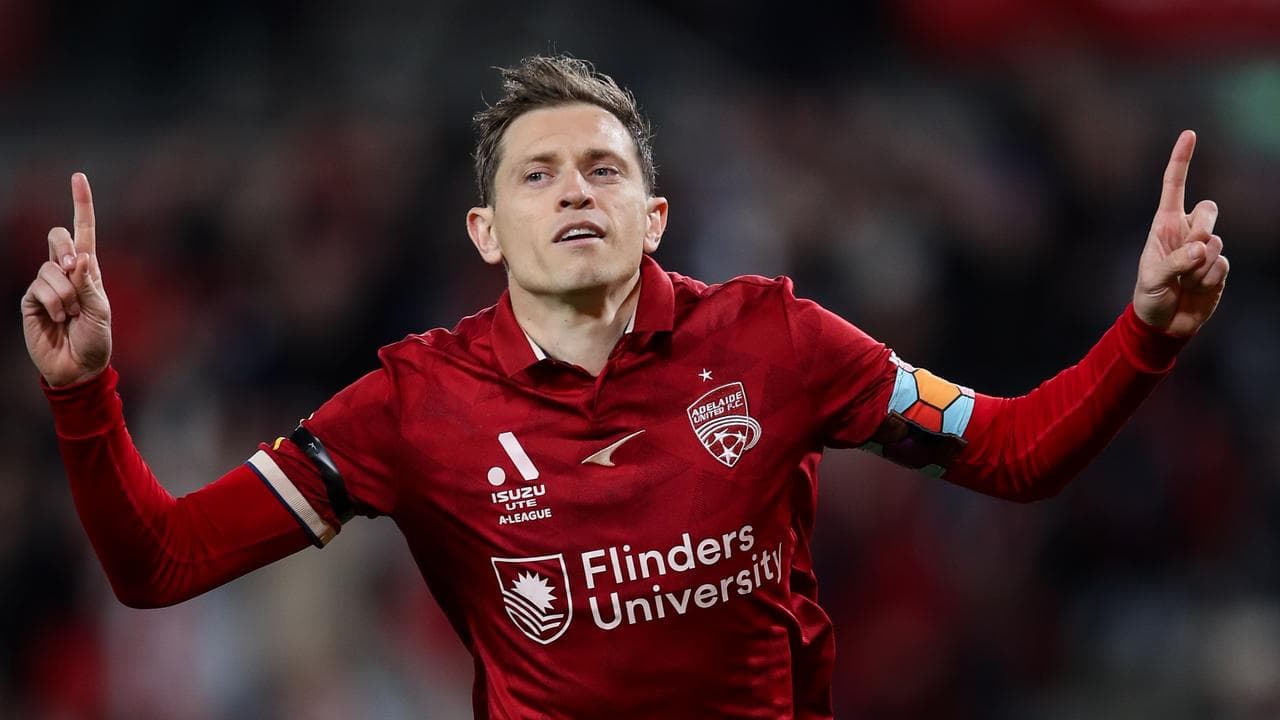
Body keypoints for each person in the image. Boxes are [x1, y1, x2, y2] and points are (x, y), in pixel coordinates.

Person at [22, 55, 1228, 718]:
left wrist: (1144, 334)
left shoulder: (777, 342)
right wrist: (84, 396)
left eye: (601, 168)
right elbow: (161, 563)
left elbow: (1013, 454)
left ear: (652, 214)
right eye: (536, 174)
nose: (573, 190)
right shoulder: (410, 406)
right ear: (485, 231)